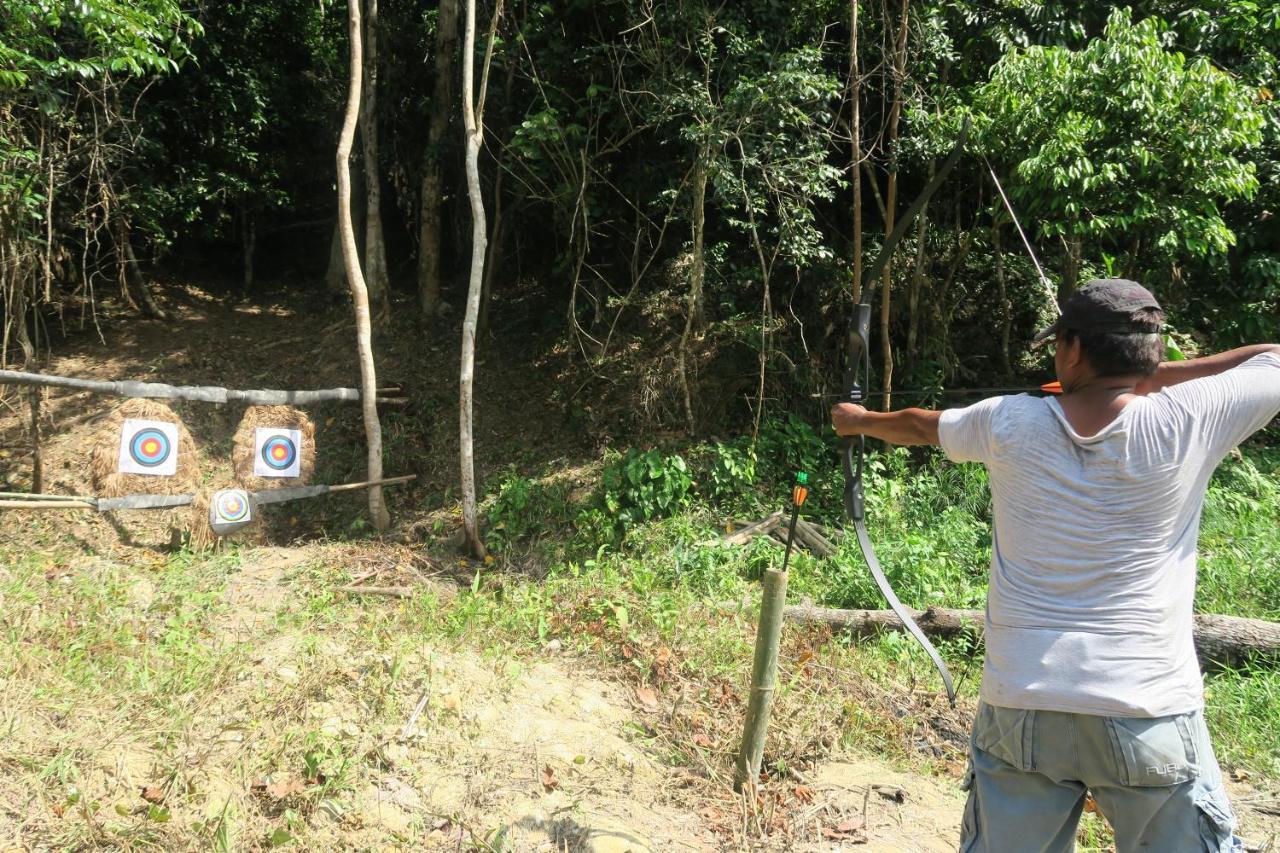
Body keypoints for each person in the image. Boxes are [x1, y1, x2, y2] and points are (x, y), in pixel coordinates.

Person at [829, 278, 1280, 853]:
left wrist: (859, 420)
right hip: (1146, 705)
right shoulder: (1193, 414)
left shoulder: (1007, 421)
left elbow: (919, 423)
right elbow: (1273, 357)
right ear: (1152, 350)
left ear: (1071, 350)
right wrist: (1156, 373)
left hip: (1023, 703)